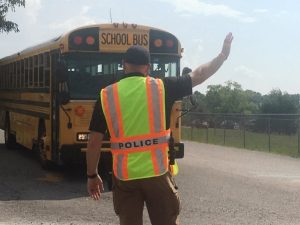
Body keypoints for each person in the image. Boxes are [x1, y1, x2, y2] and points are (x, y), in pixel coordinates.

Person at [86, 32, 233, 225]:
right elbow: (199, 74)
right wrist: (222, 56)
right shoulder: (162, 88)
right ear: (147, 68)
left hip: (125, 176)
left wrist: (92, 175)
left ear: (124, 65)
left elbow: (94, 142)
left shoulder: (107, 95)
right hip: (158, 174)